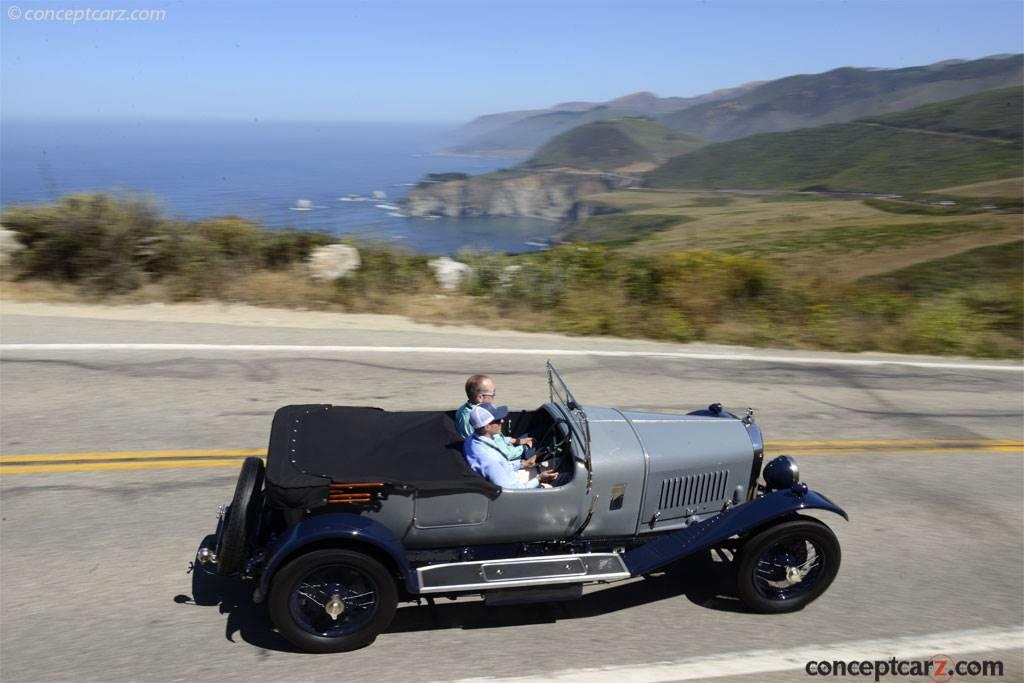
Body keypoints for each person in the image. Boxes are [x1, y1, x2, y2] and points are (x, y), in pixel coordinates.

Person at [463, 403, 557, 489]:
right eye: (498, 420)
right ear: (487, 426)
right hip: (518, 488)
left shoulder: (473, 440)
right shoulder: (489, 459)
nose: (503, 421)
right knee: (562, 477)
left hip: (512, 475)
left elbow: (502, 466)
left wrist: (523, 463)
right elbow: (511, 491)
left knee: (553, 464)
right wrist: (539, 479)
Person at [455, 374, 534, 457]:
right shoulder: (476, 418)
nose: (494, 397)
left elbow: (497, 439)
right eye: (492, 394)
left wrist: (514, 441)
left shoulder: (468, 410)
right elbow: (500, 452)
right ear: (480, 397)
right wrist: (526, 447)